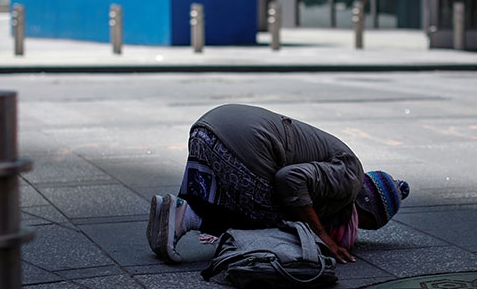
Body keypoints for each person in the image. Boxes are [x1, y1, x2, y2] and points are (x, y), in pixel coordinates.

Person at [147, 103, 410, 264]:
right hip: (236, 142)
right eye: (366, 224)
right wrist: (321, 236)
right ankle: (186, 217)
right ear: (366, 204)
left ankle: (179, 214)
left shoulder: (343, 172)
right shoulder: (350, 178)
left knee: (272, 204)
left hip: (206, 130)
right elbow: (290, 180)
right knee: (282, 221)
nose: (359, 229)